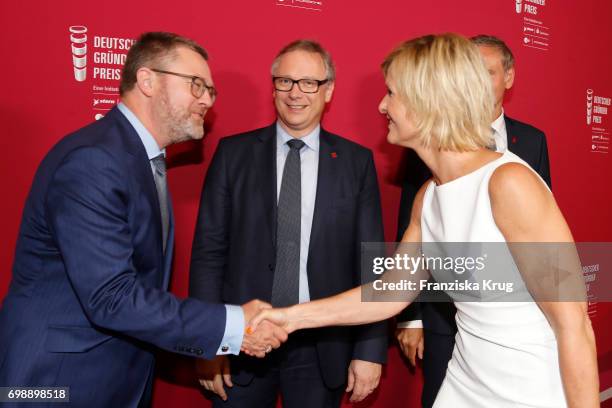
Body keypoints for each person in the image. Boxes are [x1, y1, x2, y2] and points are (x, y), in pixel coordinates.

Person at [249, 33, 599, 408]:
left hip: (531, 389)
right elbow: (387, 294)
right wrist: (289, 317)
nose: (382, 106)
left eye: (392, 93)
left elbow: (573, 323)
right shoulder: (430, 194)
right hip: (464, 382)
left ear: (428, 101)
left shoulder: (510, 184)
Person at [0, 32, 286, 408]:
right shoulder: (95, 161)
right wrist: (232, 326)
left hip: (115, 375)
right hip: (57, 381)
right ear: (147, 80)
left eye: (211, 91)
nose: (206, 99)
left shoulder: (141, 159)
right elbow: (112, 297)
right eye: (196, 85)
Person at [189, 39, 387, 407]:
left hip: (322, 345)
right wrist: (209, 338)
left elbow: (372, 264)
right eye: (285, 81)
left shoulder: (356, 163)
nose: (296, 93)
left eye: (309, 83)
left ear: (328, 91)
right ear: (273, 86)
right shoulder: (233, 154)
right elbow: (208, 253)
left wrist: (370, 350)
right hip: (241, 342)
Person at [394, 34, 553, 407]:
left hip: (518, 335)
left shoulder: (525, 154)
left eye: (488, 73)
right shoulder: (429, 166)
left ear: (509, 77)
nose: (478, 84)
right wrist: (411, 318)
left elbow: (549, 259)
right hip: (447, 318)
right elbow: (402, 256)